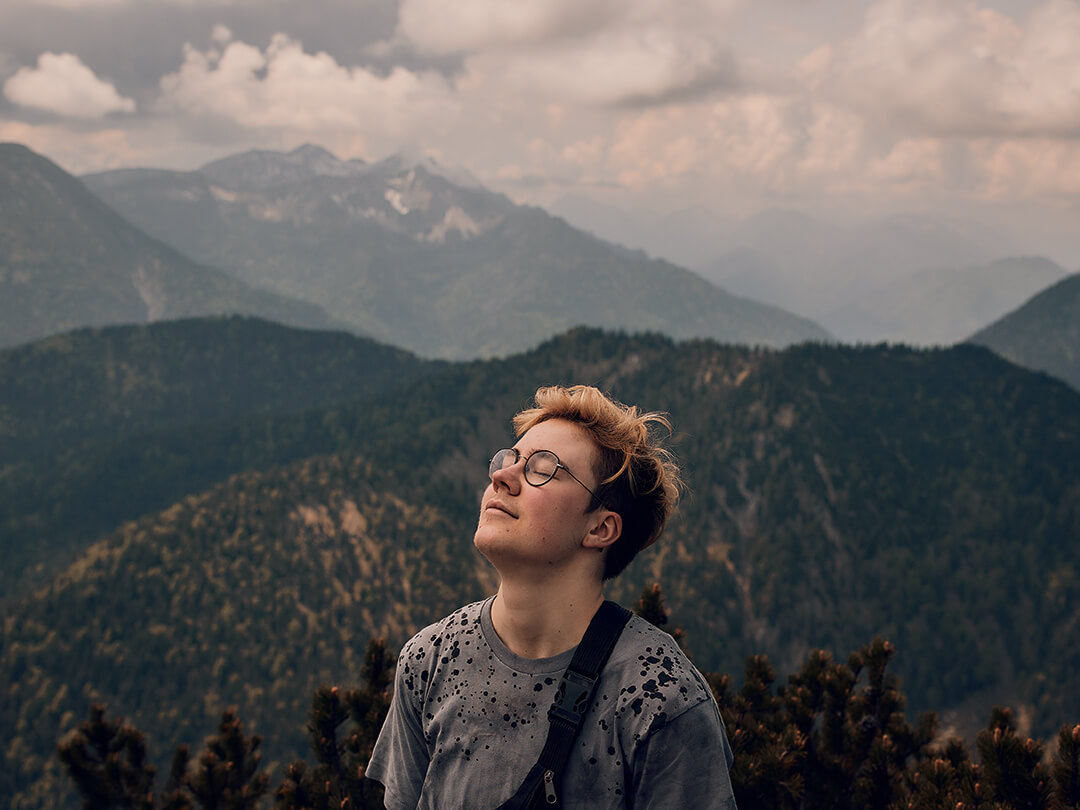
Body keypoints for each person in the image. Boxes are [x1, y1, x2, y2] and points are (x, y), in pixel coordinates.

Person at [366, 384, 737, 809]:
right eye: (510, 459)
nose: (501, 476)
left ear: (600, 528)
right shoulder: (430, 660)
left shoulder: (659, 697)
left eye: (543, 468)